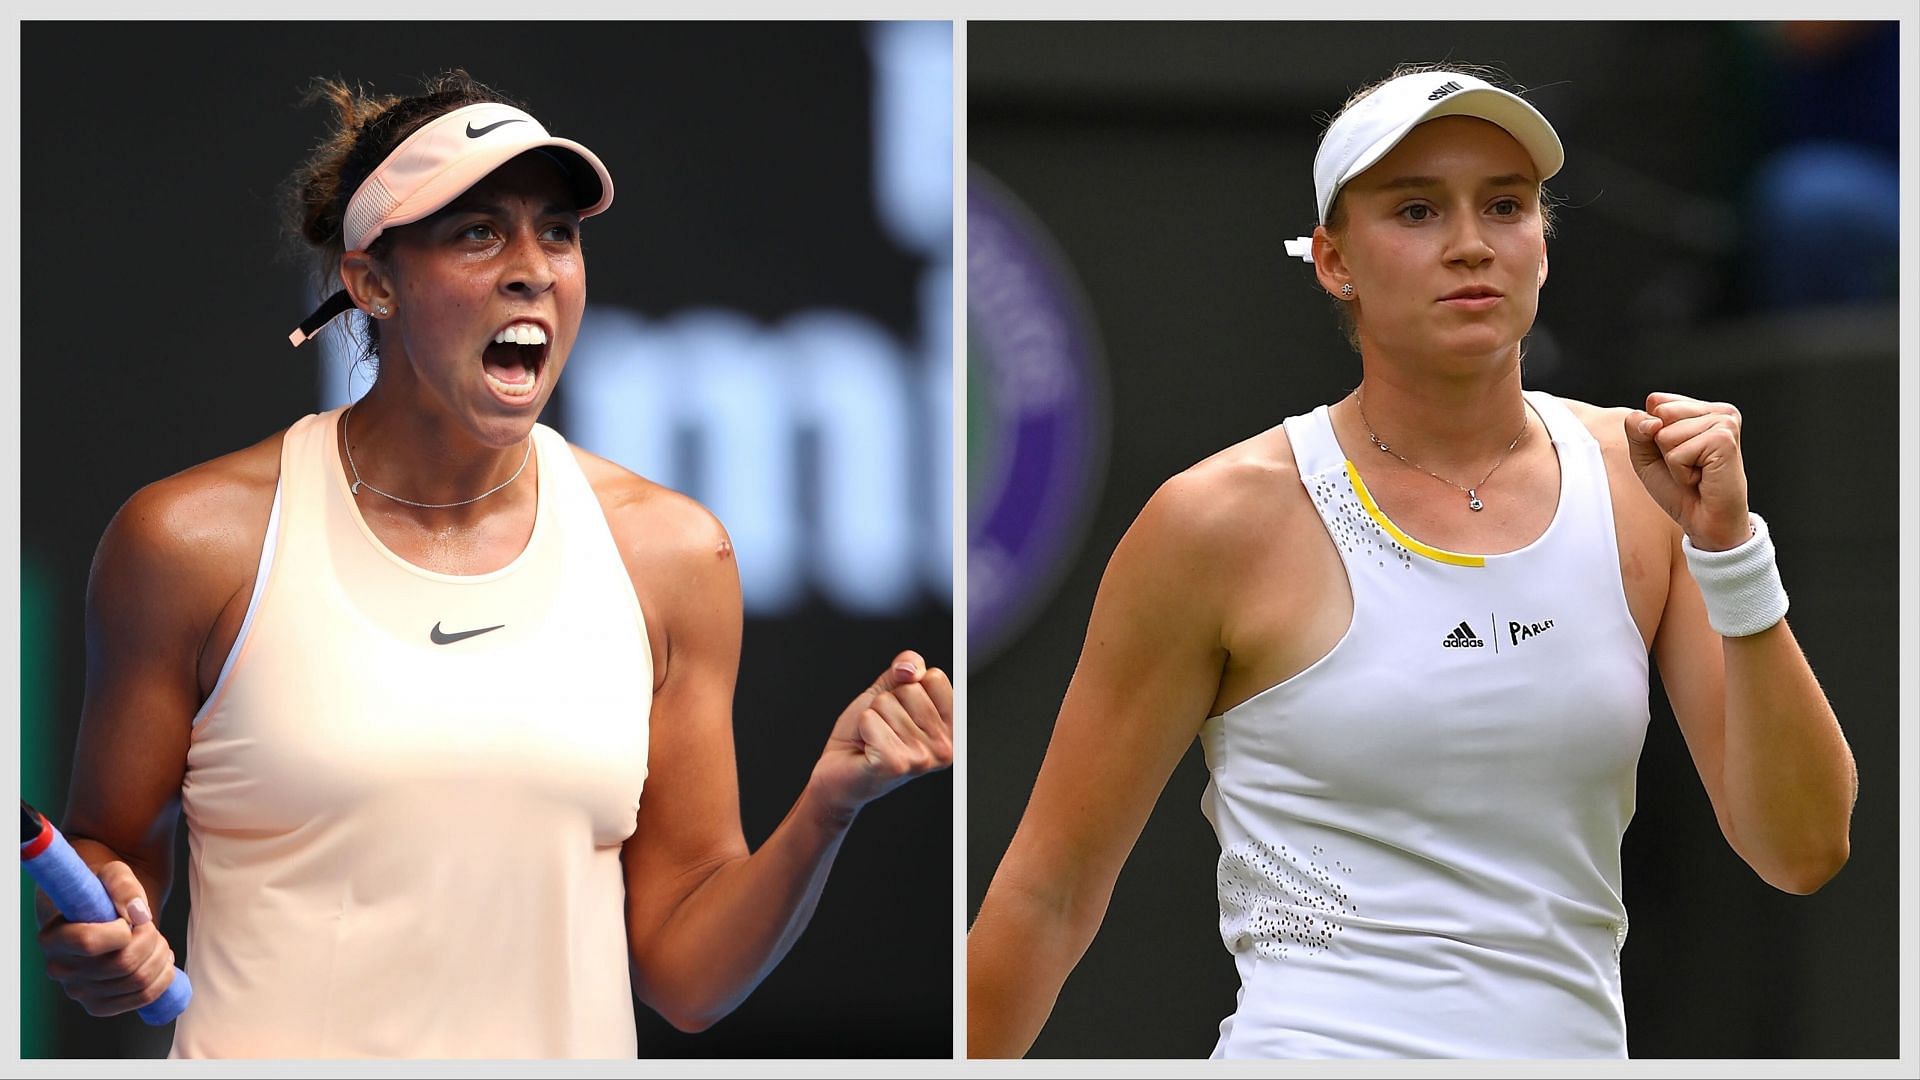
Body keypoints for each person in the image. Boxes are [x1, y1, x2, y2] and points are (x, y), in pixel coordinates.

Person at [31, 71, 953, 1058]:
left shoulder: (673, 553)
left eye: (556, 232)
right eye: (478, 233)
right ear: (371, 282)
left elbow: (687, 976)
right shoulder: (188, 542)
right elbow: (112, 851)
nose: (533, 269)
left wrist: (827, 806)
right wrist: (101, 923)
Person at [966, 64, 1854, 1059]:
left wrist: (1730, 553)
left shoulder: (1649, 485)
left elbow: (1803, 850)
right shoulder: (1218, 520)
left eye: (1506, 206)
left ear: (1543, 246)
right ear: (1335, 262)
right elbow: (1048, 893)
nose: (1472, 244)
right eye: (1419, 210)